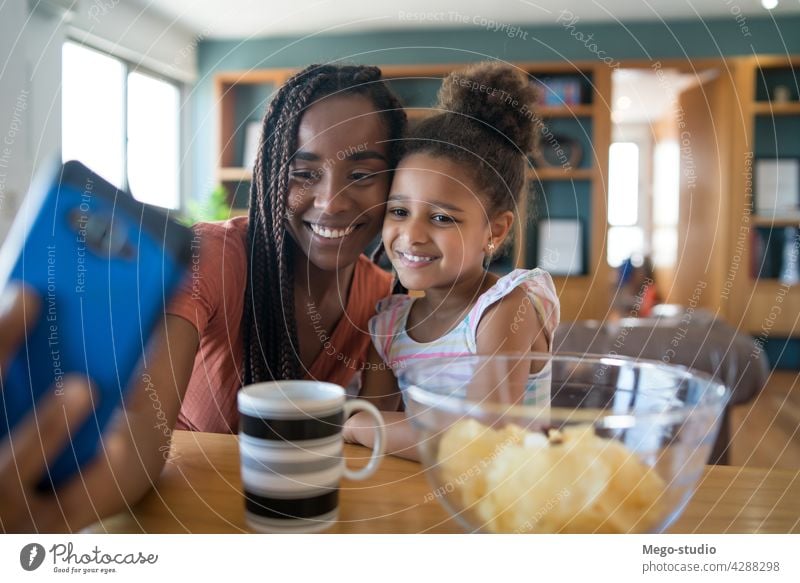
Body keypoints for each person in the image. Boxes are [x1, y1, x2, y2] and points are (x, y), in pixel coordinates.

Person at [0, 64, 407, 532]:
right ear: (273, 175)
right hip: (184, 518)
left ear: (393, 181)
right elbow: (139, 440)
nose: (332, 201)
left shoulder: (381, 297)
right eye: (304, 172)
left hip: (302, 523)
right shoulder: (210, 258)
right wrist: (59, 515)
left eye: (361, 174)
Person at [344, 62, 560, 458]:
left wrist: (360, 424)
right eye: (399, 211)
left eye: (442, 218)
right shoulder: (390, 324)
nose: (412, 235)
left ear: (494, 231)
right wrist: (366, 424)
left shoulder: (504, 308)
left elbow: (484, 440)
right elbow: (374, 428)